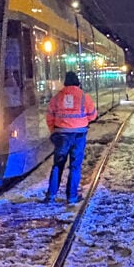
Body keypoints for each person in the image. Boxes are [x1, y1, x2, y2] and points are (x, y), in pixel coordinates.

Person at [45, 71, 97, 203]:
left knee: (57, 165)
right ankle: (72, 197)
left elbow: (50, 117)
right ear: (78, 82)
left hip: (61, 135)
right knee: (75, 166)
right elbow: (92, 115)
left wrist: (54, 131)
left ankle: (51, 196)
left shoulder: (57, 97)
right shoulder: (84, 97)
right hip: (79, 135)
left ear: (65, 83)